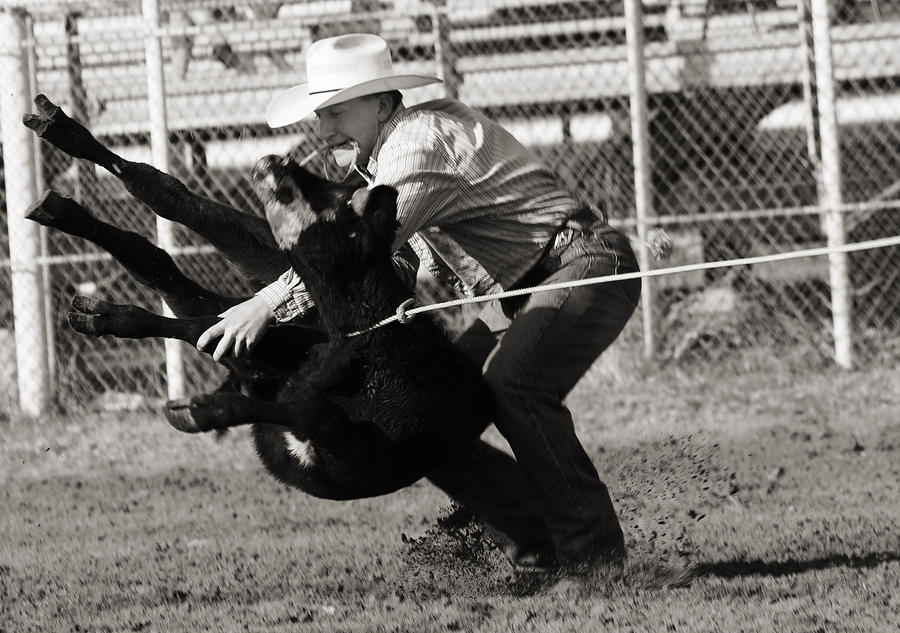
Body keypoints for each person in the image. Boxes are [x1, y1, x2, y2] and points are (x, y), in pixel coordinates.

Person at [197, 33, 641, 577]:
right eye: (321, 114)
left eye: (336, 111)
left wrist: (266, 304)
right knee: (429, 417)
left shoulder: (417, 144)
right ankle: (540, 547)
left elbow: (355, 256)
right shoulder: (384, 164)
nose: (325, 128)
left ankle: (594, 560)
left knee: (514, 387)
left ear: (382, 104)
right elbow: (395, 263)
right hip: (522, 291)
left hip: (584, 263)